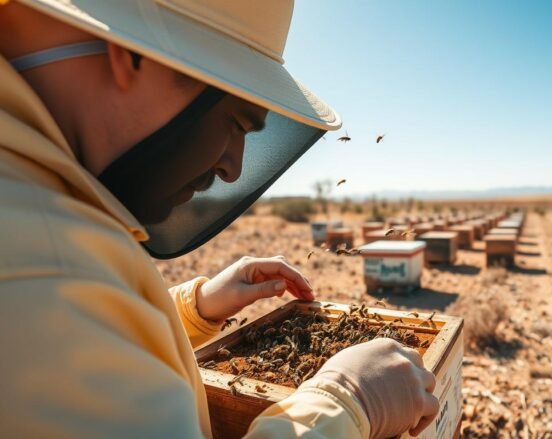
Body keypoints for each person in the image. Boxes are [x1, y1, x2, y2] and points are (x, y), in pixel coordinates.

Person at [0, 1, 438, 438]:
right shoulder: (39, 271)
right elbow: (58, 304)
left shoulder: (33, 212)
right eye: (235, 122)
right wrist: (347, 404)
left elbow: (90, 336)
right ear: (132, 54)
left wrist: (195, 307)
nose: (233, 167)